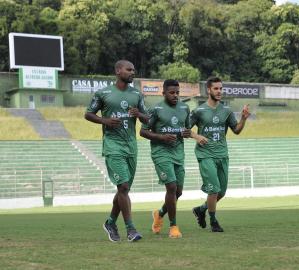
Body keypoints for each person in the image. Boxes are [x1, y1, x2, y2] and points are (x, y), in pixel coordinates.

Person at [84, 60, 149, 242]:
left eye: (134, 69)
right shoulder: (103, 93)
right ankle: (131, 229)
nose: (132, 72)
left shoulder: (137, 94)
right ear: (118, 71)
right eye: (129, 69)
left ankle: (110, 222)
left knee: (123, 190)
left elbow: (148, 119)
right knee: (124, 187)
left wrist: (139, 115)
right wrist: (105, 121)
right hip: (113, 145)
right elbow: (88, 114)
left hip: (131, 147)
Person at [190, 76, 250, 232]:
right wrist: (197, 136)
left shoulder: (226, 111)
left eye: (221, 88)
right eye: (216, 88)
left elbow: (236, 130)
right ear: (208, 90)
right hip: (205, 155)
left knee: (221, 192)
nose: (219, 91)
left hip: (222, 154)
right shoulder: (199, 111)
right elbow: (184, 129)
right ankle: (214, 221)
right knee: (214, 189)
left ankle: (201, 209)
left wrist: (243, 118)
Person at [140, 79, 191, 238]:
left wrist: (186, 133)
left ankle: (160, 214)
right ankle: (173, 226)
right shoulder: (155, 109)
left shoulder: (185, 108)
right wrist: (161, 137)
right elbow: (143, 131)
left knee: (179, 192)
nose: (175, 95)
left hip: (178, 153)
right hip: (161, 152)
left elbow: (187, 129)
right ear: (163, 93)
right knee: (171, 187)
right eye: (171, 93)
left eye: (177, 92)